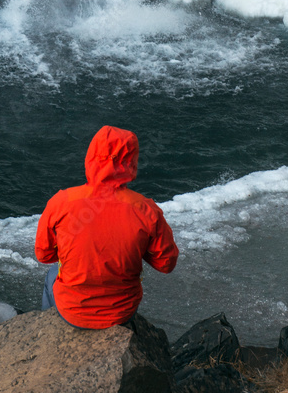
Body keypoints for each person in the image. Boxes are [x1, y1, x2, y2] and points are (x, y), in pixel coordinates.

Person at [34, 125, 179, 329]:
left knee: (52, 273)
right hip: (121, 313)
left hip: (71, 311)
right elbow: (166, 264)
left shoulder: (61, 202)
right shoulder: (146, 209)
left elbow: (44, 255)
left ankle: (49, 329)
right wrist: (134, 247)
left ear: (91, 157)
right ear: (131, 162)